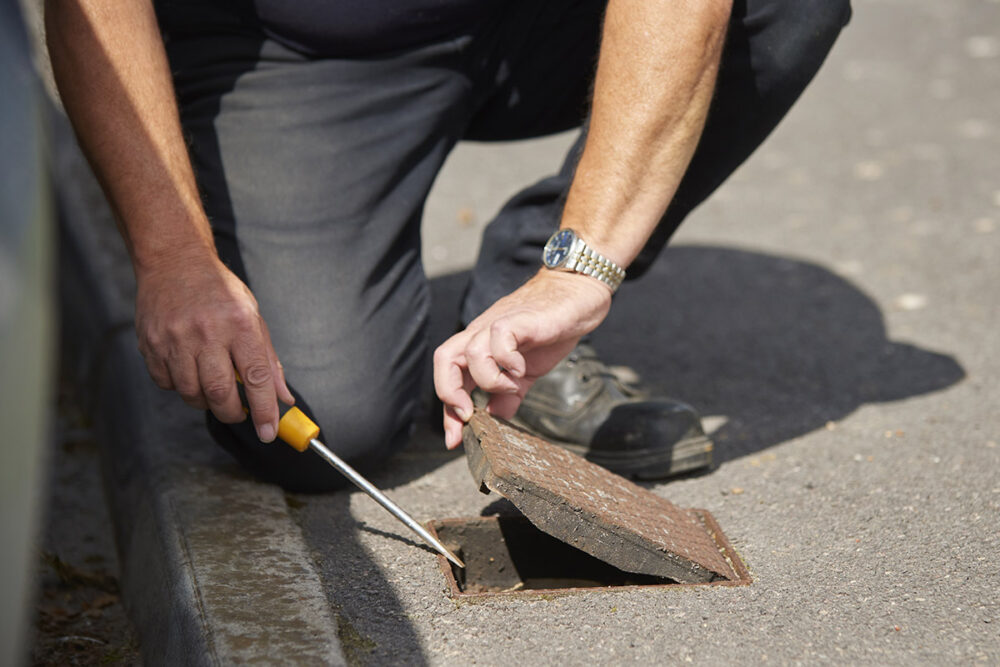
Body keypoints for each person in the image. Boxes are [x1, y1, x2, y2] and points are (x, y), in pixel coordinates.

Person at [45, 0, 850, 492]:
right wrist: (175, 257)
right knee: (326, 428)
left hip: (539, 18)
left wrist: (579, 268)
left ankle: (519, 314)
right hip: (296, 50)